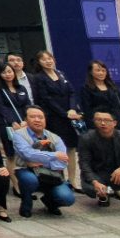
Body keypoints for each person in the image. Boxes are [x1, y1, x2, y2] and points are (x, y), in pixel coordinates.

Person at [29, 50, 83, 188]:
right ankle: (59, 179)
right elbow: (46, 99)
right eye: (44, 59)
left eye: (50, 58)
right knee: (56, 149)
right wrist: (64, 113)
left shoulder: (61, 73)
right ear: (39, 62)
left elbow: (71, 92)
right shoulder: (39, 78)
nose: (48, 61)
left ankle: (72, 180)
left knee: (71, 148)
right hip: (53, 118)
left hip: (69, 117)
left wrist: (72, 109)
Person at [78, 110, 120, 217]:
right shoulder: (87, 138)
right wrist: (94, 182)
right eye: (98, 120)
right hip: (98, 174)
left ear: (114, 123)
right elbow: (84, 163)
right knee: (91, 187)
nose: (102, 123)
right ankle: (103, 195)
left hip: (118, 175)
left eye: (106, 120)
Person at [13, 105, 76, 217]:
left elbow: (63, 162)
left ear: (45, 120)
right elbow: (27, 154)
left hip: (52, 174)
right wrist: (54, 155)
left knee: (67, 198)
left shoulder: (55, 138)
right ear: (26, 120)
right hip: (27, 170)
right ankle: (26, 203)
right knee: (29, 180)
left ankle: (49, 202)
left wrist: (39, 161)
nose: (37, 120)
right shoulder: (19, 135)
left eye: (40, 117)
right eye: (33, 117)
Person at [0, 63, 32, 175]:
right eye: (4, 72)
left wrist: (26, 120)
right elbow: (0, 106)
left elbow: (27, 104)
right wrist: (12, 121)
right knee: (11, 154)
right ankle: (15, 183)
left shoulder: (21, 88)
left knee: (27, 151)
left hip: (24, 124)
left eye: (10, 71)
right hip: (7, 124)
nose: (8, 74)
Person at [80, 61, 120, 134]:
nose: (101, 73)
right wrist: (93, 129)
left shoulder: (113, 87)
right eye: (98, 70)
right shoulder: (86, 89)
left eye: (103, 70)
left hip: (119, 126)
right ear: (91, 72)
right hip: (101, 128)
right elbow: (87, 111)